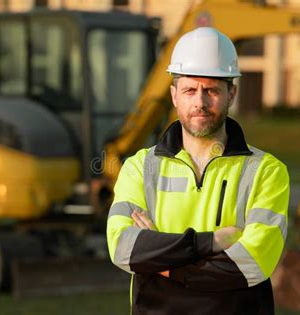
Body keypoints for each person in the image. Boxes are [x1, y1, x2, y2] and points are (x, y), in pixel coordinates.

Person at [106, 27, 289, 315]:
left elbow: (250, 265)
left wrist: (163, 265)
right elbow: (124, 249)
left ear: (232, 94)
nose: (200, 102)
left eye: (212, 90)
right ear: (174, 95)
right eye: (190, 90)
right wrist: (210, 242)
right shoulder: (139, 168)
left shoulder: (266, 172)